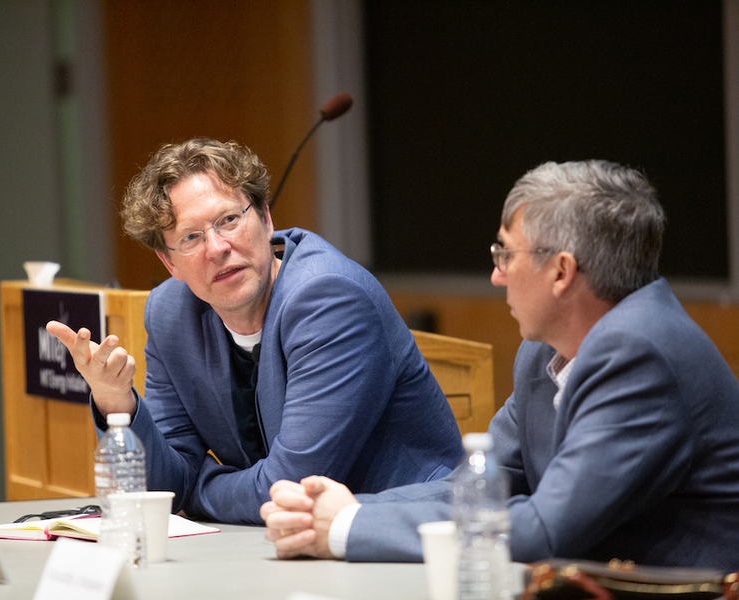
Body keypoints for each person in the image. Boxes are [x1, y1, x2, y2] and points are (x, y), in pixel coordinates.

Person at [261, 160, 739, 571]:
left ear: (561, 272)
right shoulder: (544, 350)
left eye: (505, 254)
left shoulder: (641, 355)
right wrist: (331, 511)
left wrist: (348, 526)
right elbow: (480, 489)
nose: (495, 274)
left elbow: (544, 530)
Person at [47, 138, 464, 524]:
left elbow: (289, 487)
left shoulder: (329, 298)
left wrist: (198, 488)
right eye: (191, 237)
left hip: (402, 533)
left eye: (229, 219)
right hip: (287, 544)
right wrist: (116, 402)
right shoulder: (170, 315)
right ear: (169, 263)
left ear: (265, 219)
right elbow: (164, 488)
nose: (217, 247)